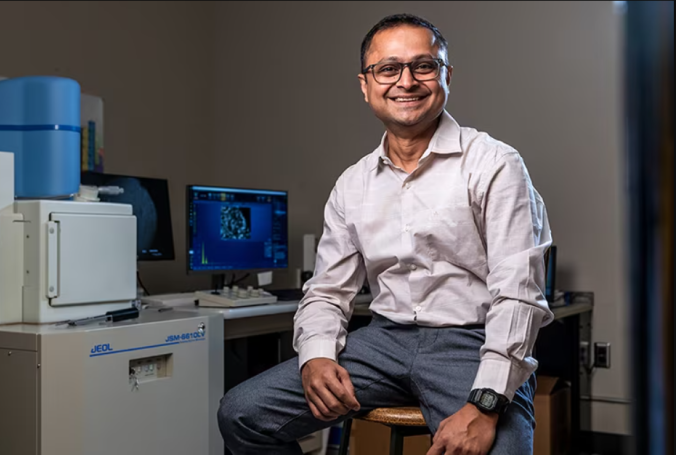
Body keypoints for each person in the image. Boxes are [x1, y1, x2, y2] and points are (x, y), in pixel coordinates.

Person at [218, 13, 552, 455]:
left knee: (501, 449)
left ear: (446, 75)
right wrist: (317, 354)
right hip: (382, 341)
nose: (406, 81)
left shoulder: (494, 163)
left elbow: (518, 295)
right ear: (366, 84)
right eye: (388, 68)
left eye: (424, 66)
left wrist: (486, 403)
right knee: (242, 413)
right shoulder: (352, 184)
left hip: (473, 341)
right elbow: (326, 291)